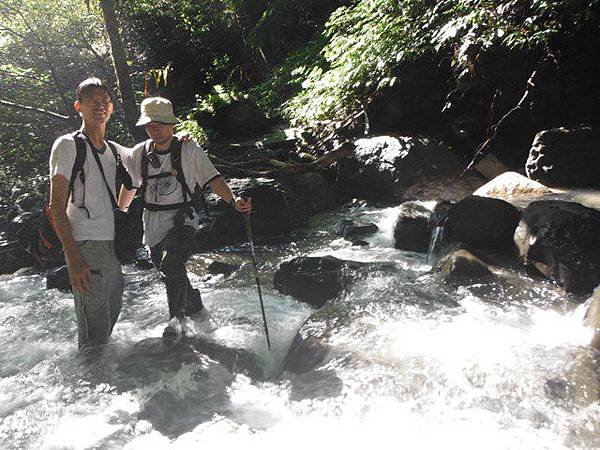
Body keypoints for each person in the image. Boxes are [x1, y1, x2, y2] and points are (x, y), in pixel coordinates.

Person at [118, 97, 251, 340]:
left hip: (183, 221)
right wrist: (120, 211)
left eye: (159, 123)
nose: (154, 128)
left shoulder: (189, 149)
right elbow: (131, 183)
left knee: (171, 263)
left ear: (171, 124)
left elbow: (213, 179)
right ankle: (194, 305)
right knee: (168, 270)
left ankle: (176, 320)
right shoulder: (140, 153)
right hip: (152, 223)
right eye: (149, 124)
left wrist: (233, 201)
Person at [49, 78, 128, 349]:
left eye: (104, 101)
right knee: (94, 336)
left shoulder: (115, 151)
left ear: (112, 108)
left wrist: (181, 139)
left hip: (112, 246)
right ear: (78, 107)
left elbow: (151, 153)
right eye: (92, 101)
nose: (100, 106)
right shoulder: (68, 145)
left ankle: (103, 387)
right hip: (84, 245)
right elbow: (55, 207)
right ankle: (86, 386)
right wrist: (73, 259)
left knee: (110, 320)